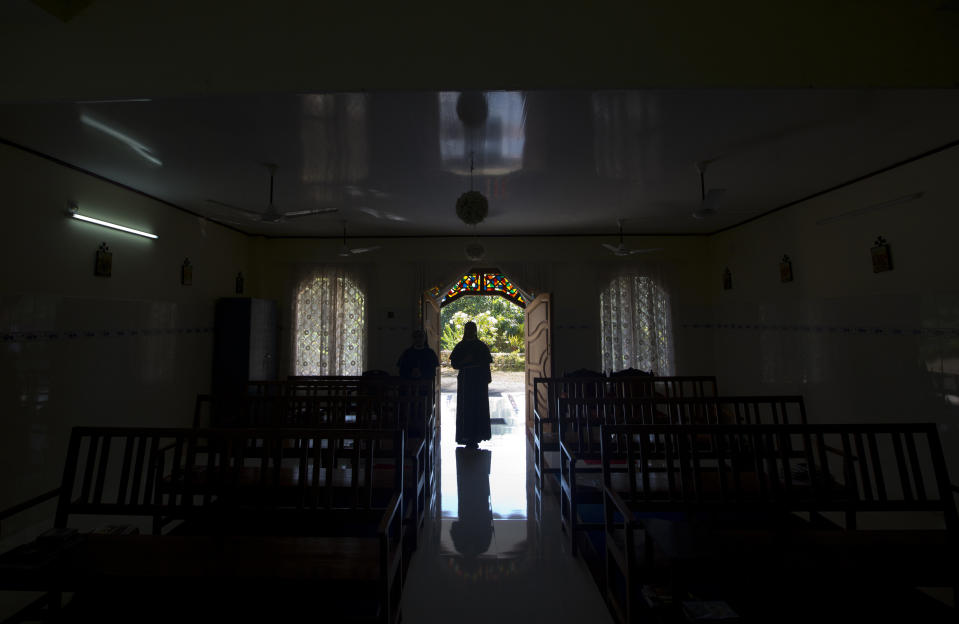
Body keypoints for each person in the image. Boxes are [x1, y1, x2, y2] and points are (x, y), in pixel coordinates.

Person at [449, 320, 493, 449]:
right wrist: (465, 361)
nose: (470, 331)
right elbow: (454, 365)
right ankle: (466, 435)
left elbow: (486, 365)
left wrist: (486, 379)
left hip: (479, 381)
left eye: (472, 329)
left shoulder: (481, 346)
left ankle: (478, 435)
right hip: (465, 381)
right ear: (465, 330)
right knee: (465, 408)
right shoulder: (460, 346)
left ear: (475, 330)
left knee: (479, 407)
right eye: (467, 329)